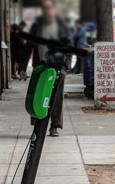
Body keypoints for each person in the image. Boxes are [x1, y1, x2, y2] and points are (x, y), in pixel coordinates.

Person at [20, 0, 71, 137]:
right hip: (41, 66)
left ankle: (54, 126)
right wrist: (23, 68)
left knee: (57, 98)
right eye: (44, 9)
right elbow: (28, 48)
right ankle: (37, 126)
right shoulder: (36, 26)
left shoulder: (62, 26)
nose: (47, 11)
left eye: (49, 8)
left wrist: (67, 66)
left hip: (58, 67)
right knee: (38, 94)